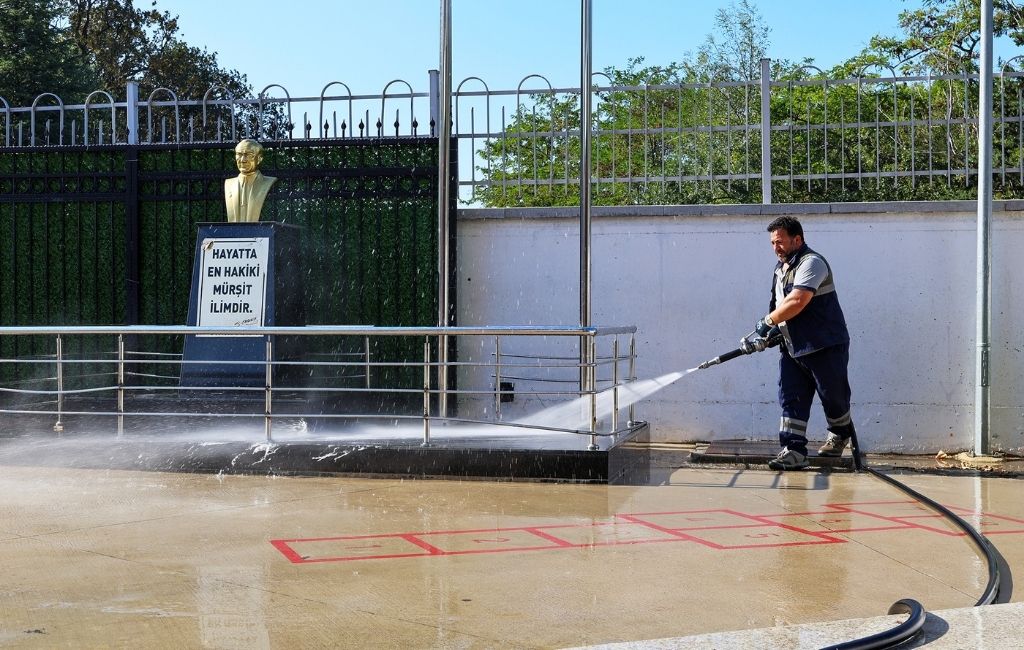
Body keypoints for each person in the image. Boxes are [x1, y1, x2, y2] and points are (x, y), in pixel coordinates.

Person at [752, 216, 857, 471]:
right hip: (793, 349)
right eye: (772, 243)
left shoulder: (812, 263)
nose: (776, 248)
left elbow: (797, 301)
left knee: (833, 398)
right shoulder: (781, 269)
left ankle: (840, 434)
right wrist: (772, 332)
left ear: (797, 239)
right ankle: (793, 450)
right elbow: (779, 306)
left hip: (825, 346)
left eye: (780, 242)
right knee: (791, 397)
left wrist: (767, 321)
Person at [224, 138, 277, 222]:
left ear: (259, 159)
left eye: (249, 155)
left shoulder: (268, 182)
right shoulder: (228, 184)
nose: (242, 160)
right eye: (239, 154)